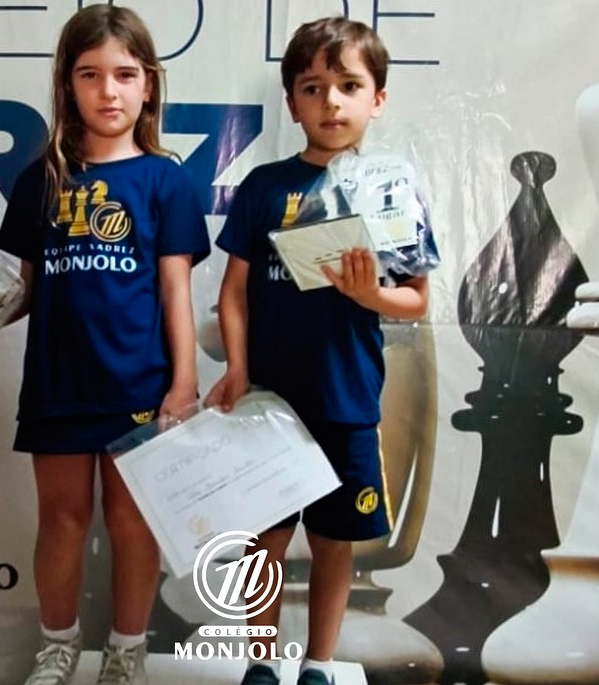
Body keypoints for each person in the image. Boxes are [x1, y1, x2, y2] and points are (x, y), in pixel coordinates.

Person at [0, 6, 209, 685]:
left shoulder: (166, 180)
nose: (108, 91)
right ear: (66, 85)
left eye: (124, 75)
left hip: (140, 386)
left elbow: (175, 291)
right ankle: (57, 646)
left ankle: (127, 651)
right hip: (58, 385)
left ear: (148, 85)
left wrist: (182, 383)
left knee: (132, 524)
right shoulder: (40, 179)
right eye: (90, 75)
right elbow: (20, 292)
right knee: (62, 519)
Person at [205, 16, 430, 685]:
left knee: (334, 541)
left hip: (347, 398)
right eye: (313, 87)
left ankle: (320, 663)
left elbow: (416, 300)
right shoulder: (264, 187)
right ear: (292, 103)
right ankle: (260, 660)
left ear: (377, 99)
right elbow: (232, 294)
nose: (331, 102)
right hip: (269, 401)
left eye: (349, 86)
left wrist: (370, 295)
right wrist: (238, 369)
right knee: (265, 540)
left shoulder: (392, 189)